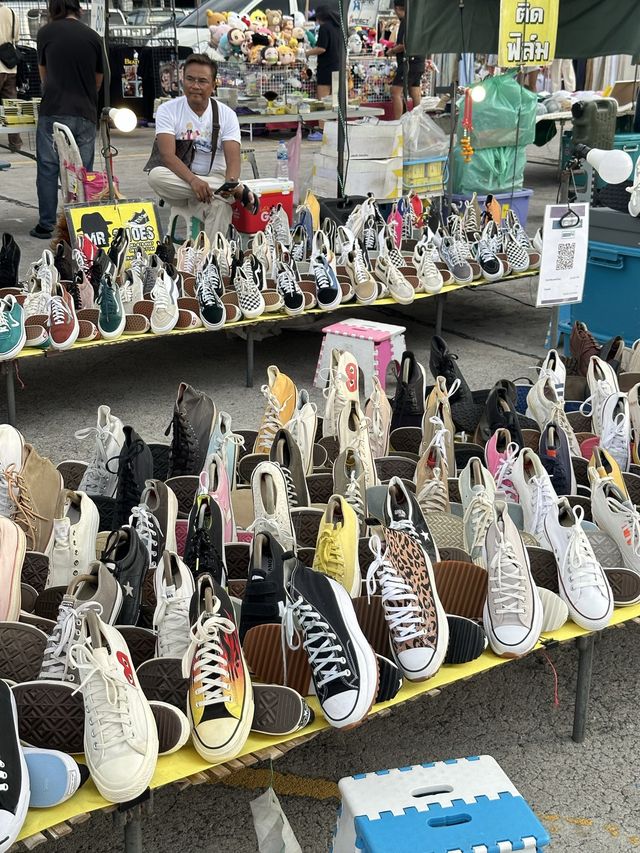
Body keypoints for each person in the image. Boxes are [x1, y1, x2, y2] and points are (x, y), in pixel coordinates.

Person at [146, 53, 256, 240]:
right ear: (182, 80)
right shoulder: (168, 109)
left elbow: (233, 158)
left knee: (220, 207)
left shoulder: (226, 114)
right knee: (156, 176)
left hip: (212, 185)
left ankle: (212, 261)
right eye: (190, 79)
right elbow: (167, 156)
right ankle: (234, 190)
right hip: (180, 184)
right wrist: (194, 181)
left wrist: (230, 179)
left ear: (213, 85)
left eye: (202, 81)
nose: (195, 86)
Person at [31, 0, 103, 239]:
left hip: (54, 109)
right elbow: (98, 78)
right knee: (83, 170)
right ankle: (81, 221)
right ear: (78, 8)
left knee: (49, 168)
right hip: (85, 111)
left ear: (54, 9)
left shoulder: (46, 33)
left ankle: (47, 225)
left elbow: (44, 76)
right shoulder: (93, 36)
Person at [305, 5, 341, 141]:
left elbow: (321, 48)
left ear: (320, 18)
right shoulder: (338, 28)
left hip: (326, 68)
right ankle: (336, 129)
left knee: (322, 100)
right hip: (338, 66)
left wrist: (307, 53)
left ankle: (322, 130)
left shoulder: (325, 28)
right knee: (335, 100)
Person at [387, 0, 425, 120]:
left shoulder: (405, 21)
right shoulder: (416, 20)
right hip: (419, 62)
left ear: (397, 8)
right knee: (415, 92)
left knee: (395, 92)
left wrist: (392, 51)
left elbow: (405, 45)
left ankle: (399, 122)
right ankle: (416, 121)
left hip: (409, 62)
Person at [0, 2, 22, 152]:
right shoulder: (12, 13)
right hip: (10, 66)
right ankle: (15, 144)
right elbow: (16, 38)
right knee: (11, 107)